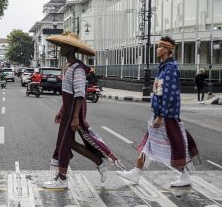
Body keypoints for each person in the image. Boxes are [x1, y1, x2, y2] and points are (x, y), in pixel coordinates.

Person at [117, 36, 199, 188]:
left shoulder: (170, 69)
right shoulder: (163, 67)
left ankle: (185, 175)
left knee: (174, 145)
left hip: (167, 116)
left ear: (168, 51)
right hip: (160, 114)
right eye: (158, 46)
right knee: (148, 144)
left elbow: (168, 94)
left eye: (160, 47)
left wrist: (161, 116)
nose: (157, 49)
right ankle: (136, 172)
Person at [43, 33, 120, 189]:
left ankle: (63, 179)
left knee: (65, 143)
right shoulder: (67, 67)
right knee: (67, 142)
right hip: (68, 109)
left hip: (74, 110)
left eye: (63, 46)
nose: (61, 49)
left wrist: (76, 117)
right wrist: (61, 110)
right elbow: (67, 93)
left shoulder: (77, 68)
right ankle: (99, 162)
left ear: (71, 48)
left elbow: (79, 94)